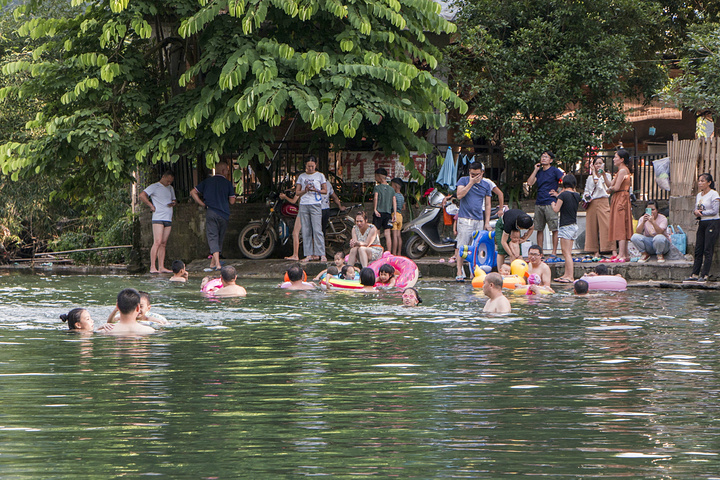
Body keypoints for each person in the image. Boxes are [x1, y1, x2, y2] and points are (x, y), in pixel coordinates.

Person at [190, 162, 236, 271]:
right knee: (220, 237)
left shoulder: (207, 182)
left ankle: (214, 263)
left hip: (211, 212)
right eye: (227, 170)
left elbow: (193, 192)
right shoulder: (227, 183)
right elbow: (232, 201)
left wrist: (202, 203)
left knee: (212, 236)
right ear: (224, 171)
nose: (228, 172)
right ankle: (217, 264)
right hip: (224, 213)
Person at [454, 162, 492, 281]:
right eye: (472, 174)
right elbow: (459, 195)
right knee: (462, 245)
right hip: (465, 218)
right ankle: (459, 270)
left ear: (482, 173)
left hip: (478, 219)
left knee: (476, 247)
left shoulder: (486, 185)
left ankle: (474, 271)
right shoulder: (463, 180)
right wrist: (471, 182)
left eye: (477, 174)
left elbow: (488, 204)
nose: (475, 176)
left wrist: (487, 222)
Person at [526, 151, 564, 257]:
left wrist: (558, 194)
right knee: (539, 228)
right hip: (539, 202)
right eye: (542, 157)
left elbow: (566, 181)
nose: (543, 159)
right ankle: (540, 252)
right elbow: (530, 182)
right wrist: (535, 169)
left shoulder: (555, 171)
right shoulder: (539, 172)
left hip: (550, 202)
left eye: (546, 157)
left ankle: (554, 251)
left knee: (554, 228)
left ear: (551, 160)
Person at [685, 173, 720, 283]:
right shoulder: (699, 195)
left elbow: (715, 210)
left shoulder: (714, 194)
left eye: (702, 181)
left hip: (712, 222)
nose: (700, 183)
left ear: (709, 183)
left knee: (707, 249)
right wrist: (696, 212)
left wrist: (702, 213)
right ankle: (695, 273)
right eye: (699, 181)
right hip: (702, 222)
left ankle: (705, 274)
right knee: (698, 248)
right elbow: (697, 208)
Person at [140, 170, 176, 273]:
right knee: (157, 241)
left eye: (171, 182)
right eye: (168, 181)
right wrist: (151, 205)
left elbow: (174, 199)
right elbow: (142, 195)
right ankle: (152, 266)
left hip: (168, 217)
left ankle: (161, 266)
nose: (169, 183)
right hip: (158, 217)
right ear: (163, 177)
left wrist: (173, 203)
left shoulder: (170, 188)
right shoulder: (154, 186)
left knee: (163, 243)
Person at [295, 157, 328, 262]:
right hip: (304, 204)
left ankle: (321, 254)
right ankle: (308, 254)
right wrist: (305, 190)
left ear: (315, 165)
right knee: (306, 230)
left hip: (316, 204)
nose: (310, 168)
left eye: (312, 166)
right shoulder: (301, 176)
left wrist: (316, 190)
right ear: (305, 165)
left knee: (317, 229)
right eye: (308, 166)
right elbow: (297, 192)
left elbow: (325, 190)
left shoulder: (320, 175)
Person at [603, 149, 633, 262]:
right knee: (620, 224)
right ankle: (624, 254)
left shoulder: (622, 171)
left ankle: (622, 254)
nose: (614, 159)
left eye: (616, 157)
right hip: (619, 197)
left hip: (621, 198)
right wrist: (604, 176)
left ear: (622, 159)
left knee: (620, 226)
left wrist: (609, 189)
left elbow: (615, 187)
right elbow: (611, 184)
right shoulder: (621, 170)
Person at [551, 174, 581, 283]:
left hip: (565, 226)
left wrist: (553, 203)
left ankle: (570, 276)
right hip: (574, 225)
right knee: (568, 252)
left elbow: (556, 209)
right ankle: (566, 274)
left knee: (566, 252)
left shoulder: (563, 195)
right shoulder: (577, 195)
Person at [583, 157, 613, 260]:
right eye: (596, 163)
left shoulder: (607, 176)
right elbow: (586, 190)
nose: (598, 165)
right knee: (592, 227)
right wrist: (587, 197)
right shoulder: (589, 178)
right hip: (592, 202)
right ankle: (595, 251)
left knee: (606, 225)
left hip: (603, 200)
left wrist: (597, 175)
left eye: (600, 163)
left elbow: (600, 185)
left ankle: (611, 249)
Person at [373, 168, 397, 254]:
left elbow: (376, 197)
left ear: (379, 177)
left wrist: (375, 209)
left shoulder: (377, 188)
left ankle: (377, 251)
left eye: (376, 176)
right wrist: (394, 214)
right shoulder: (391, 189)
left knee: (377, 233)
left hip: (379, 212)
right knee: (387, 233)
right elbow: (394, 201)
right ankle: (389, 252)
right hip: (388, 213)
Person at [278, 190, 302, 261]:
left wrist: (285, 197)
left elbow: (293, 201)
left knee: (295, 233)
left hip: (304, 209)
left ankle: (295, 255)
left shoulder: (301, 187)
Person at [390, 178, 406, 256]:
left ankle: (394, 253)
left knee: (394, 236)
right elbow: (404, 207)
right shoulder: (402, 196)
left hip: (394, 215)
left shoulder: (394, 195)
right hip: (400, 216)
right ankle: (399, 253)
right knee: (399, 236)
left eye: (392, 185)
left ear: (395, 186)